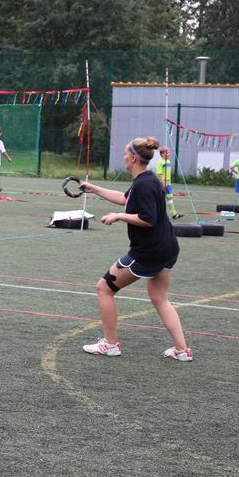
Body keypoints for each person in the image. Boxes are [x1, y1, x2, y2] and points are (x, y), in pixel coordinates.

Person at [79, 137, 192, 361]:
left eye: (125, 154)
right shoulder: (147, 179)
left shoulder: (144, 184)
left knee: (104, 288)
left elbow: (148, 219)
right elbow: (125, 198)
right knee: (159, 297)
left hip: (149, 252)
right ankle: (182, 350)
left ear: (133, 158)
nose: (123, 157)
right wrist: (93, 189)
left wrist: (119, 216)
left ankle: (110, 344)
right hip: (167, 248)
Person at [154, 146, 181, 219]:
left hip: (168, 183)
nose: (168, 154)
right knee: (160, 198)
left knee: (169, 197)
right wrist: (163, 183)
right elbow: (159, 174)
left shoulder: (168, 161)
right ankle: (158, 214)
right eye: (167, 153)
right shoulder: (160, 162)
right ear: (162, 154)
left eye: (169, 152)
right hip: (162, 183)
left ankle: (174, 214)